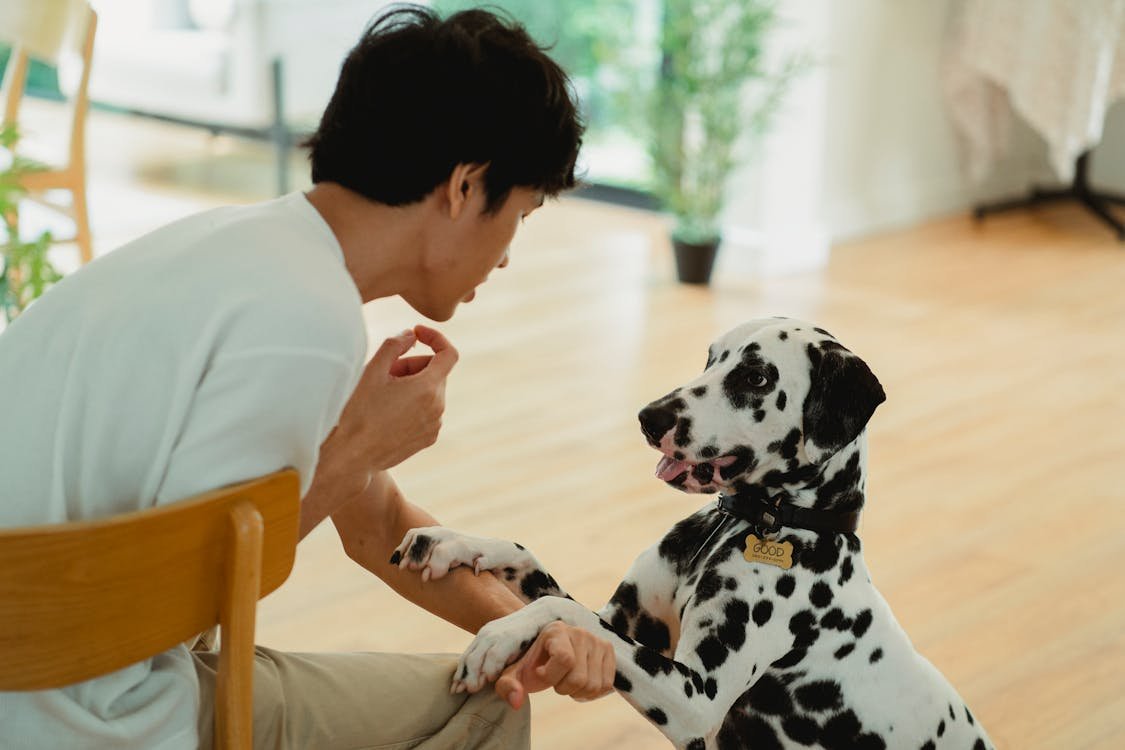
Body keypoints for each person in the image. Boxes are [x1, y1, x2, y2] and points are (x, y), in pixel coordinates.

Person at [0, 5, 615, 749]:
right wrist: (357, 447)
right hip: (68, 702)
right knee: (487, 707)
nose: (509, 254)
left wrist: (533, 626)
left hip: (46, 664)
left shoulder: (251, 251)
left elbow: (382, 530)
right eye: (518, 214)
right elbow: (185, 601)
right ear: (463, 187)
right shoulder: (304, 319)